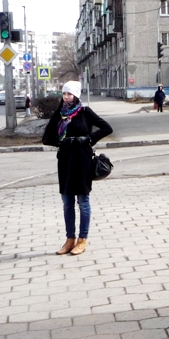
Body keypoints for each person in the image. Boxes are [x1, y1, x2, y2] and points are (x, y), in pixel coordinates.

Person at [41, 80, 113, 256]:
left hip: (82, 162)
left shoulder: (85, 112)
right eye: (64, 94)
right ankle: (69, 240)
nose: (66, 97)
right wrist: (62, 141)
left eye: (69, 94)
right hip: (65, 162)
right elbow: (46, 137)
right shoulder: (60, 114)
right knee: (67, 203)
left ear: (76, 95)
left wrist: (88, 139)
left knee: (83, 201)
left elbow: (106, 128)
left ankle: (82, 240)